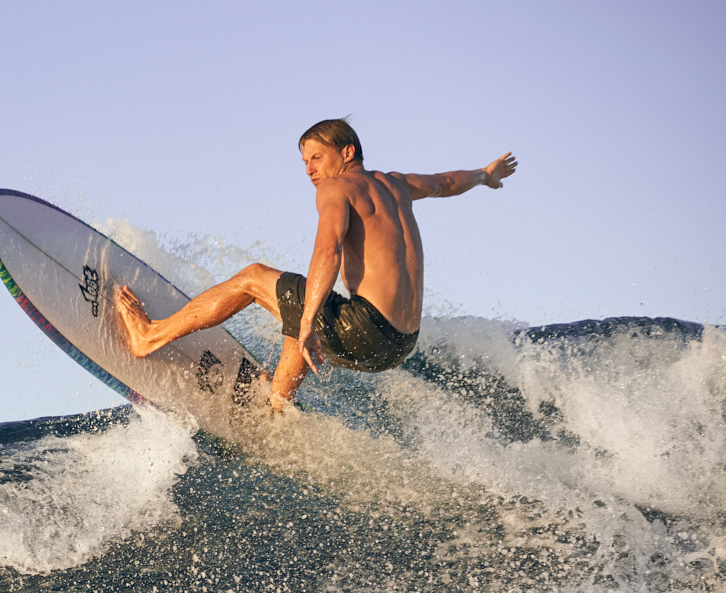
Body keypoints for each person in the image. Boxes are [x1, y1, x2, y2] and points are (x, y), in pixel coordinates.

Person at [116, 119, 517, 410]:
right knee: (302, 300)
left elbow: (328, 251)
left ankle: (150, 336)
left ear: (347, 153)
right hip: (400, 344)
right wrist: (485, 174)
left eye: (317, 157)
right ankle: (276, 405)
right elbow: (445, 183)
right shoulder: (397, 184)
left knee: (257, 279)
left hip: (363, 328)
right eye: (305, 161)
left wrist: (308, 324)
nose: (310, 169)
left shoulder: (336, 187)